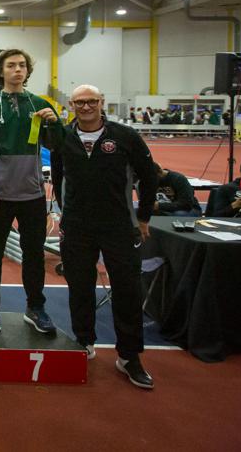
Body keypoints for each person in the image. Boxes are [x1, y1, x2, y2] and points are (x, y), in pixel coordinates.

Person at [51, 84, 157, 389]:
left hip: (119, 226)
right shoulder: (63, 138)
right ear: (70, 105)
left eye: (92, 101)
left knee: (127, 290)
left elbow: (148, 176)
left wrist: (144, 217)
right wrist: (64, 213)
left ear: (102, 103)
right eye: (80, 102)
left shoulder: (125, 136)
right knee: (79, 287)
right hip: (77, 227)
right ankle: (84, 341)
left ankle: (129, 356)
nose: (86, 107)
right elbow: (58, 178)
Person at [0, 48, 60, 334]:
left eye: (22, 65)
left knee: (33, 255)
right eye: (11, 65)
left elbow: (56, 145)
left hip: (32, 193)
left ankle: (35, 308)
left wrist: (54, 123)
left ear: (27, 71)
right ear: (1, 72)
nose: (17, 70)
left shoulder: (40, 103)